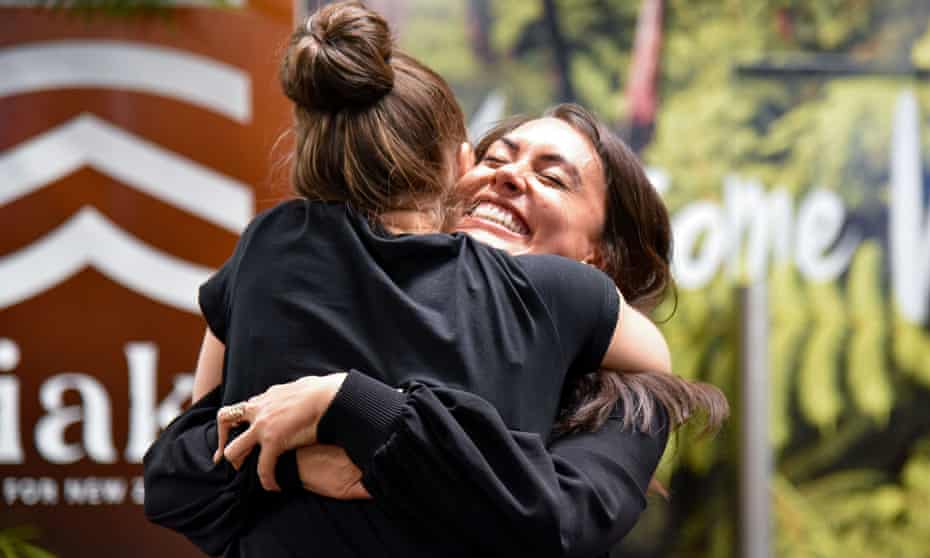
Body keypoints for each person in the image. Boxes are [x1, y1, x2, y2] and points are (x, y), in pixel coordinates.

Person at [143, 3, 720, 557]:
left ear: (599, 258)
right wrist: (294, 457)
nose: (509, 178)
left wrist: (350, 408)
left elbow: (557, 523)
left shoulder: (630, 403)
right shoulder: (308, 274)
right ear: (456, 173)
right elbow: (177, 472)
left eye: (553, 177)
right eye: (498, 159)